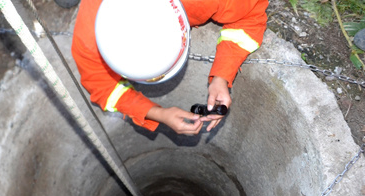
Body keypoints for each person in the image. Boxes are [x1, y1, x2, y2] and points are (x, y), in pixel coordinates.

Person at [71, 0, 268, 135]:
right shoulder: (91, 37)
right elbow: (101, 86)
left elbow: (251, 16)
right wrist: (158, 114)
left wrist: (223, 74)